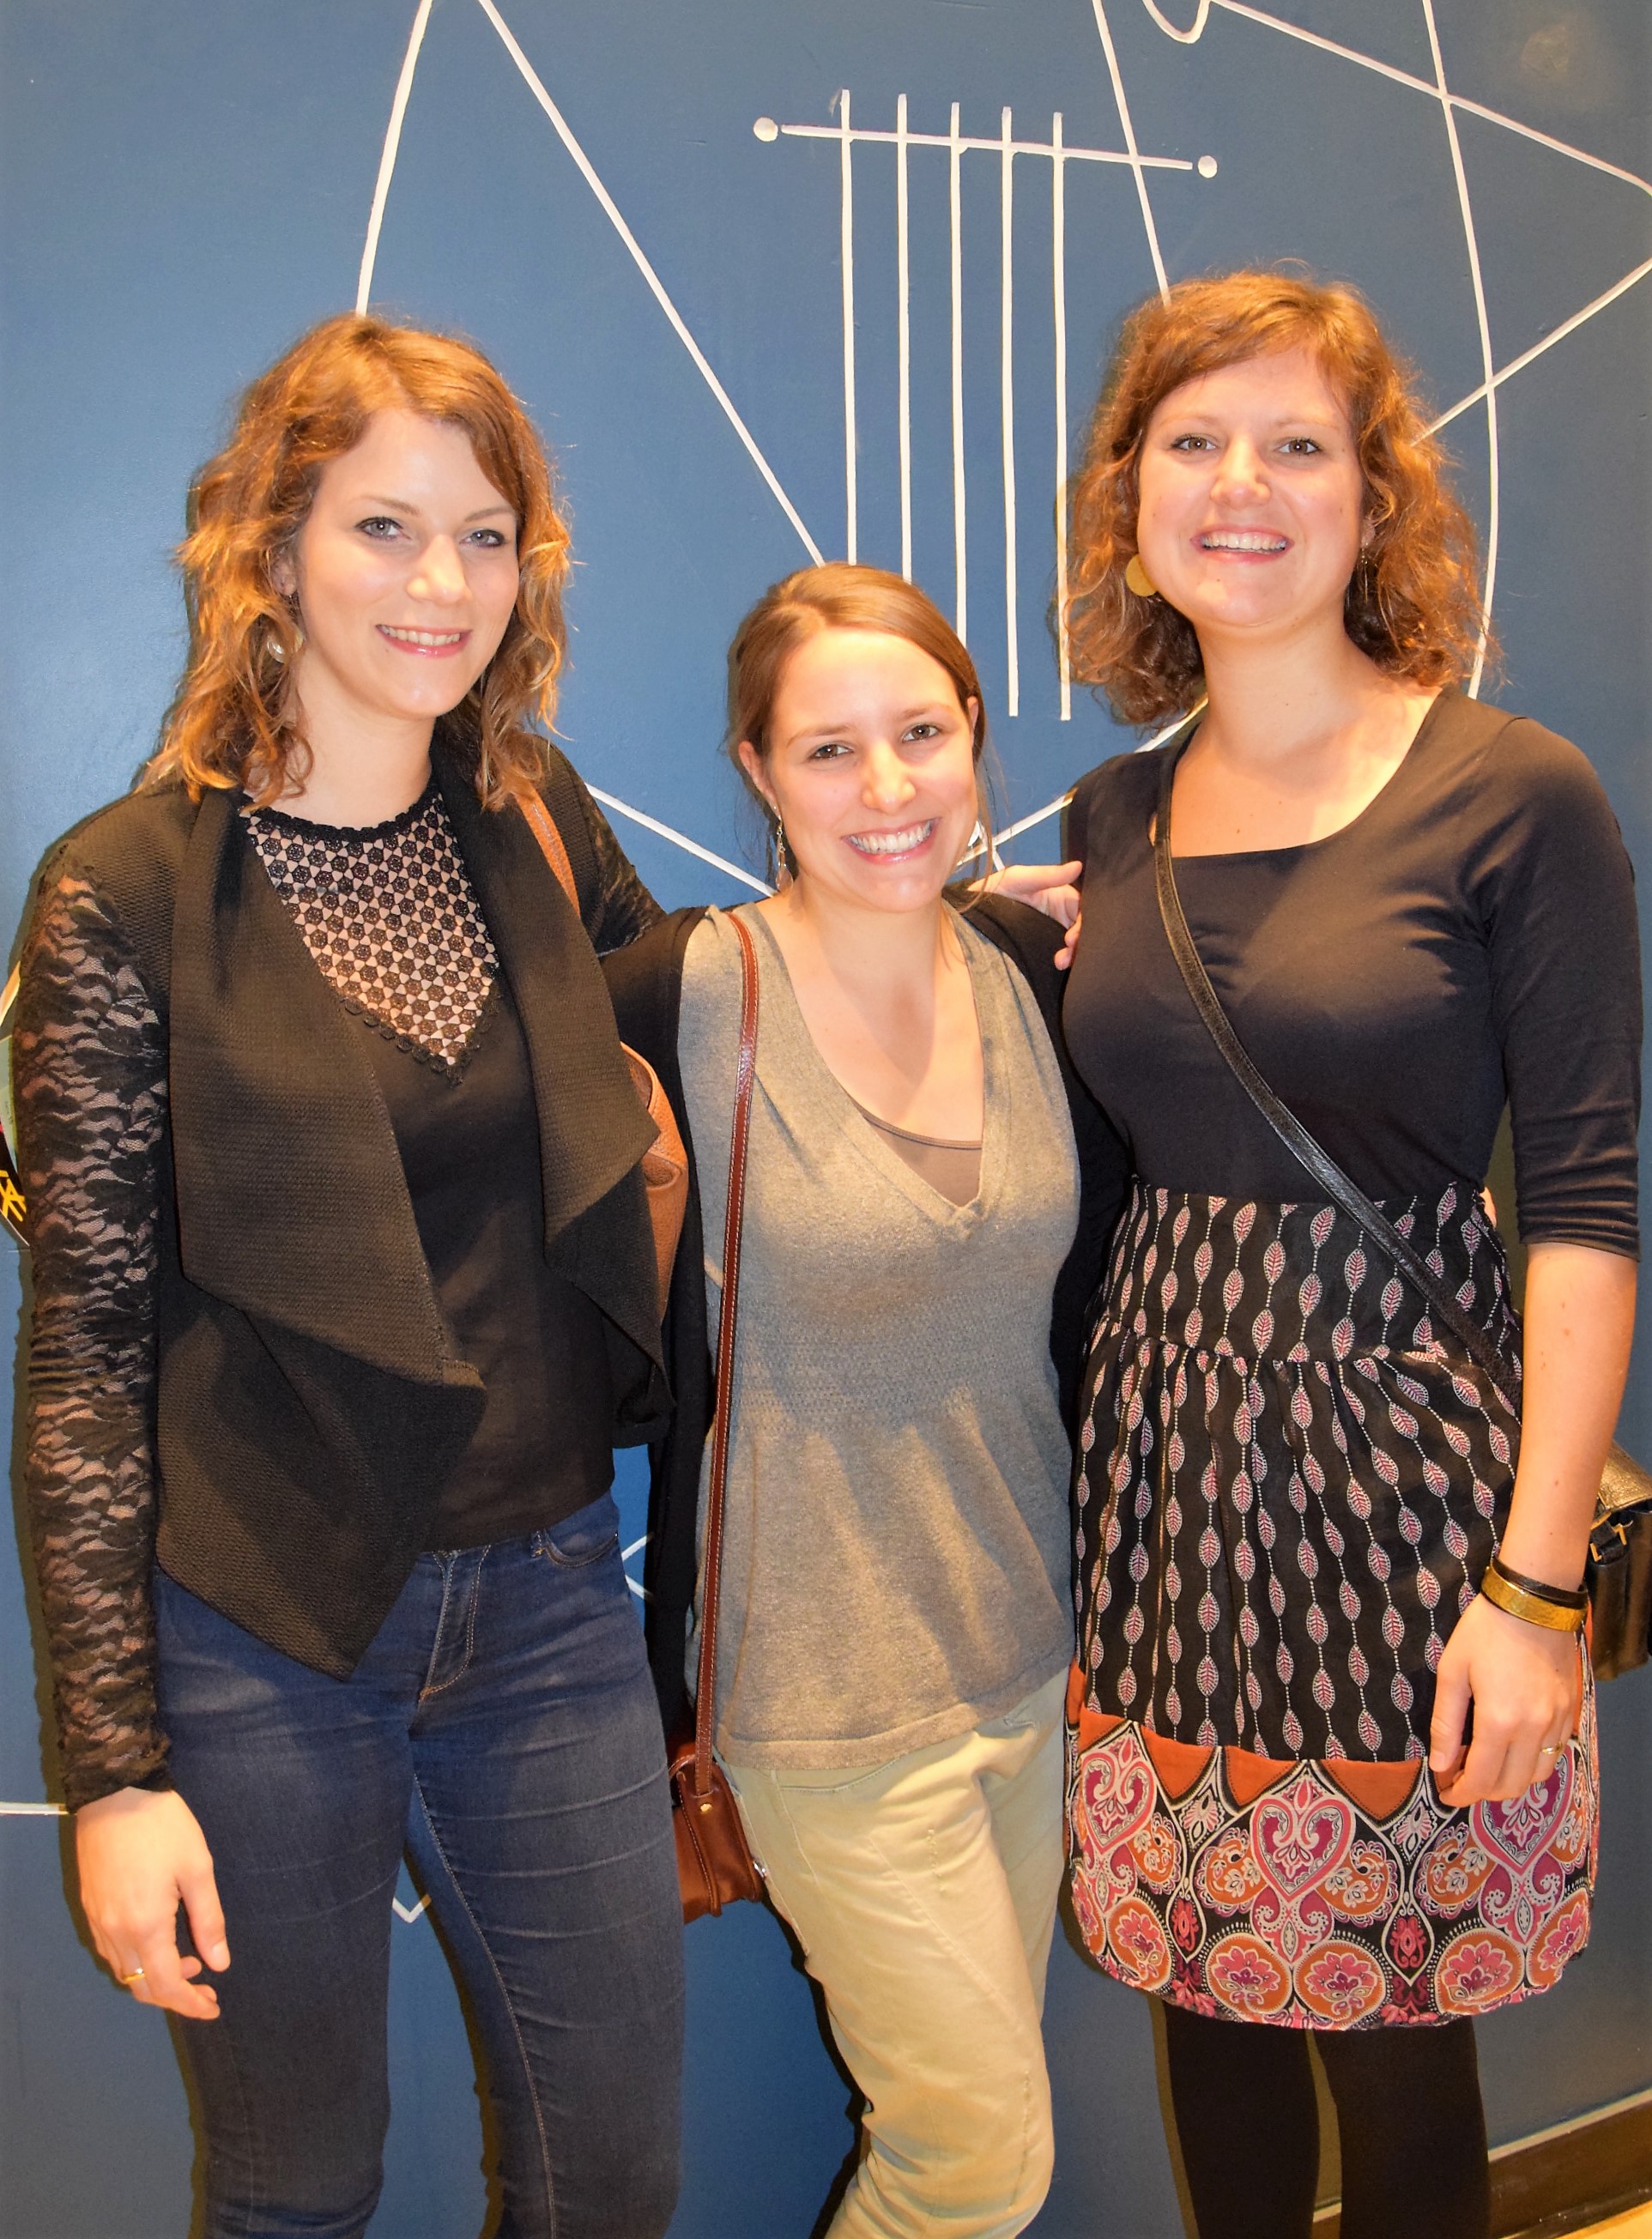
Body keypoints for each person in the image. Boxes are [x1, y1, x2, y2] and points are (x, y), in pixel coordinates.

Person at [15, 313, 687, 2239]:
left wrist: (948, 919)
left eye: (485, 537)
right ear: (276, 547)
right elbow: (85, 1351)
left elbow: (709, 996)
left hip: (548, 1600)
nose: (441, 585)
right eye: (385, 528)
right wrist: (115, 1772)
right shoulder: (123, 890)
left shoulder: (535, 817)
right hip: (262, 1634)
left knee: (612, 2178)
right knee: (300, 2186)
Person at [1056, 271, 1640, 2239]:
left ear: (1372, 499)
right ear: (1132, 493)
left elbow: (1586, 1207)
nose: (1242, 483)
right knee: (1208, 2003)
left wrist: (1535, 1587)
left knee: (1396, 2044)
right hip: (1167, 1496)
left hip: (1408, 1506)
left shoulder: (1510, 791)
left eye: (1297, 443)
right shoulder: (1116, 816)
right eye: (1194, 441)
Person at [603, 565, 1128, 2239]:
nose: (886, 785)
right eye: (828, 749)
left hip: (1033, 1658)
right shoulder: (688, 995)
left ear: (974, 734)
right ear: (757, 771)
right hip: (819, 1695)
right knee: (976, 2160)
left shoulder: (1032, 974)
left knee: (974, 2135)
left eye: (920, 733)